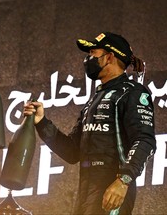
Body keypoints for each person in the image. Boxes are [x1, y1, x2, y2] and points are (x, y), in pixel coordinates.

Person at [24, 32, 156, 215]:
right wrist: (41, 122)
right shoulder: (94, 100)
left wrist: (123, 181)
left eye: (92, 53)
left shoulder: (132, 92)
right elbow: (72, 151)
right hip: (86, 193)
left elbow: (145, 140)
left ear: (109, 57)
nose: (87, 59)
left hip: (112, 191)